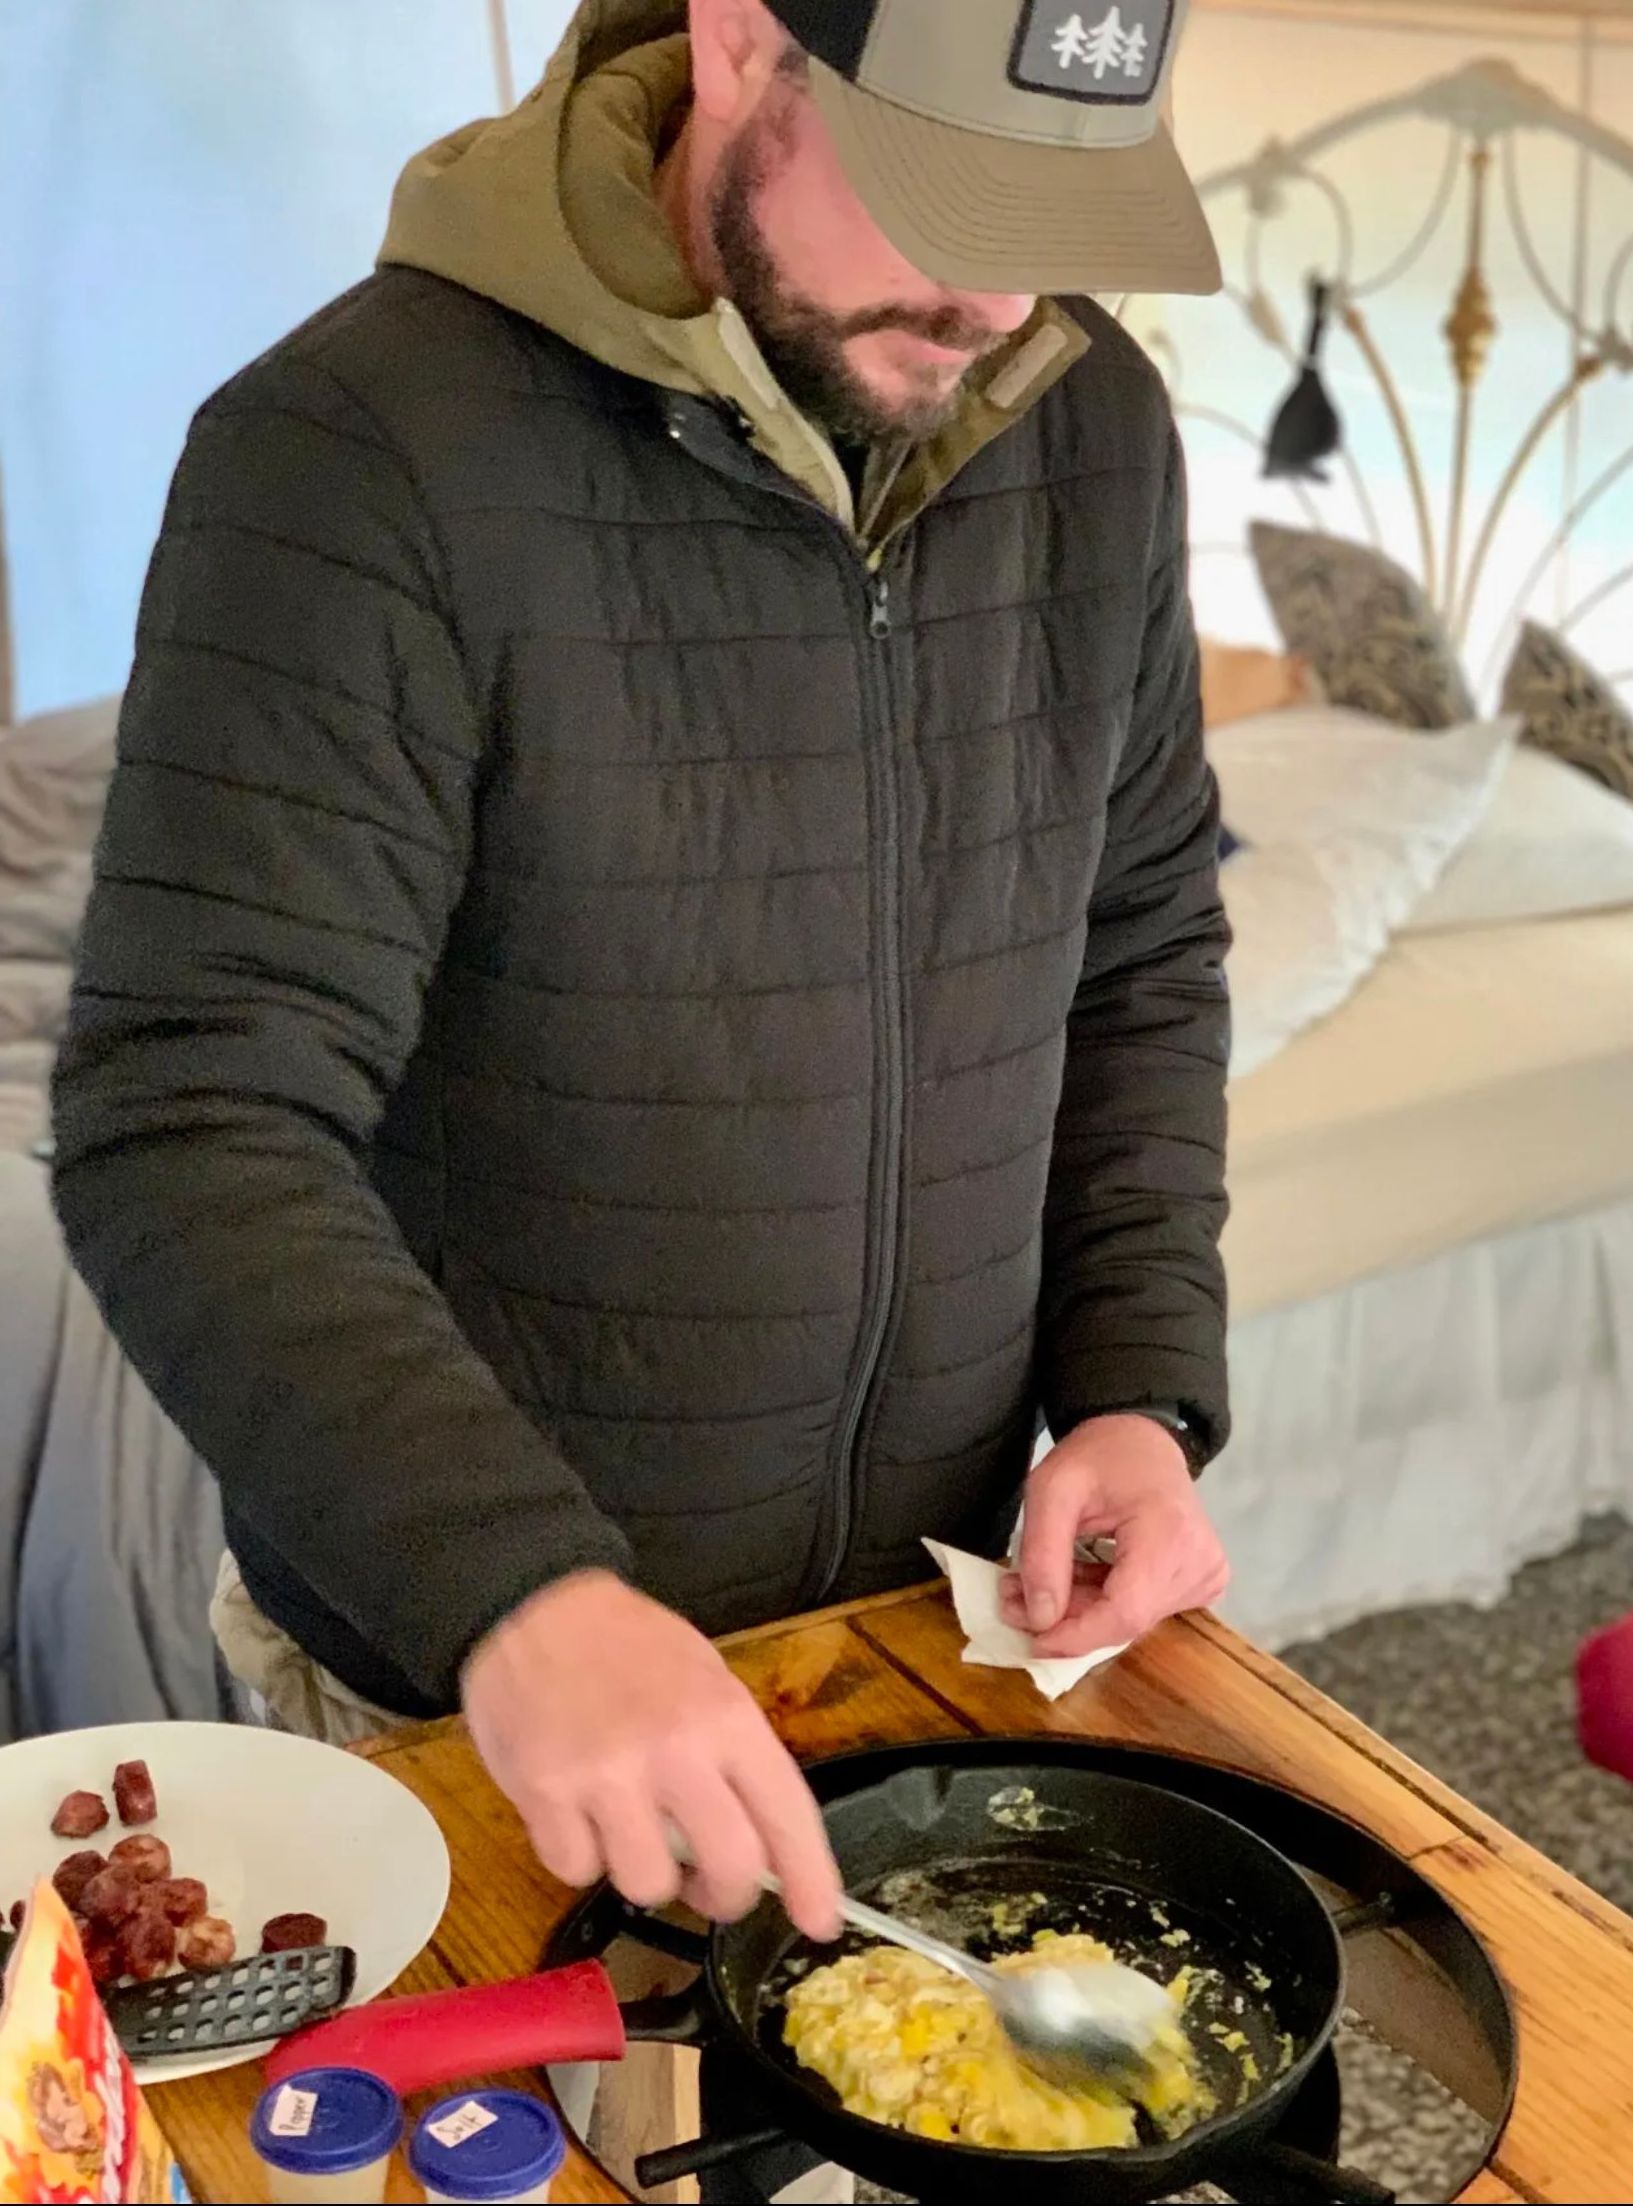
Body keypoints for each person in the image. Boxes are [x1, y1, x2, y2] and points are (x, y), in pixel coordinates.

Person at [54, 0, 1231, 1950]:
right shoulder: (353, 450)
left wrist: (1137, 1392)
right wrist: (518, 1589)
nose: (984, 295)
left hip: (902, 1639)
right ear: (739, 34)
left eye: (1053, 205)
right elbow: (186, 1113)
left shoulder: (1091, 423)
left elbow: (1139, 948)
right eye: (932, 188)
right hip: (470, 1677)